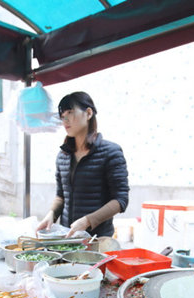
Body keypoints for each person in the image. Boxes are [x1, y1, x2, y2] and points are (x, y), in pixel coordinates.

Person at [37, 91, 129, 238]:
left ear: (88, 113)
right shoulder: (63, 155)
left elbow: (121, 200)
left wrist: (88, 221)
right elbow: (61, 196)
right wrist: (51, 215)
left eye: (70, 112)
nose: (64, 119)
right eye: (62, 115)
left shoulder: (111, 152)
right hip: (67, 237)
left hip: (97, 240)